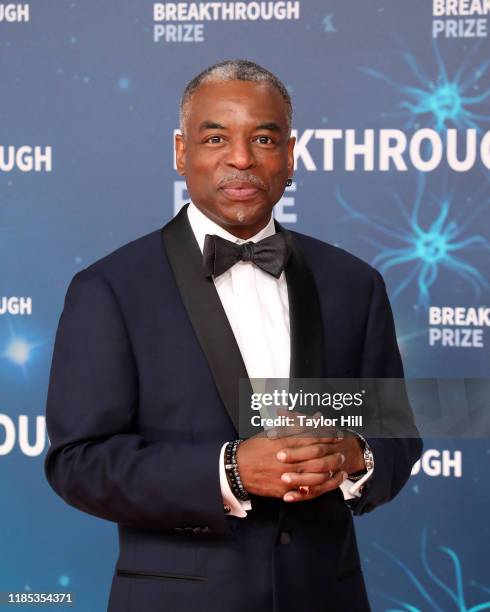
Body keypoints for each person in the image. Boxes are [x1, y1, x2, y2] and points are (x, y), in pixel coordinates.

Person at [44, 60, 422, 612]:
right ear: (180, 152)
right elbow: (77, 463)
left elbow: (398, 438)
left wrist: (353, 458)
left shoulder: (354, 284)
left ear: (290, 156)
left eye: (264, 138)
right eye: (216, 136)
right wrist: (229, 471)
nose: (241, 159)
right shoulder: (110, 288)